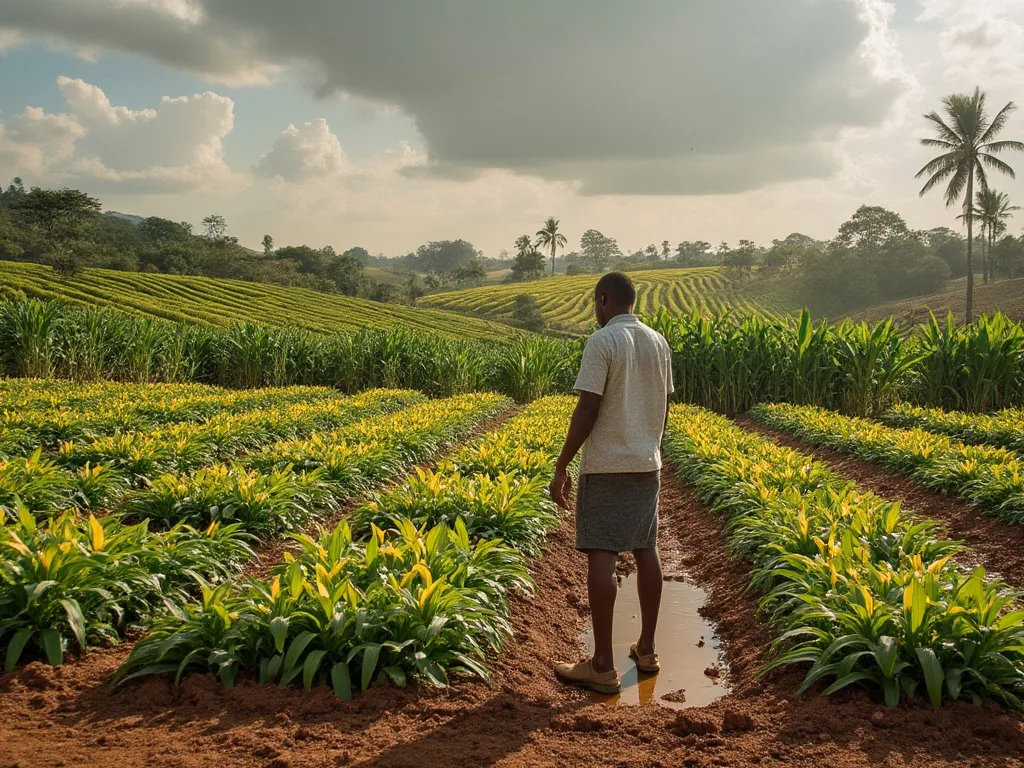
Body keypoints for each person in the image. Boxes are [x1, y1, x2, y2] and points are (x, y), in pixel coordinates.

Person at [548, 272, 674, 694]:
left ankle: (602, 665)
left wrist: (562, 463)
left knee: (601, 550)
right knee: (646, 548)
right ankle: (648, 648)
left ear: (604, 300)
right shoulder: (658, 342)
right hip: (646, 463)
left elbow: (588, 407)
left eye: (594, 302)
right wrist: (651, 448)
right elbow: (664, 406)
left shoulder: (602, 342)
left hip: (606, 464)